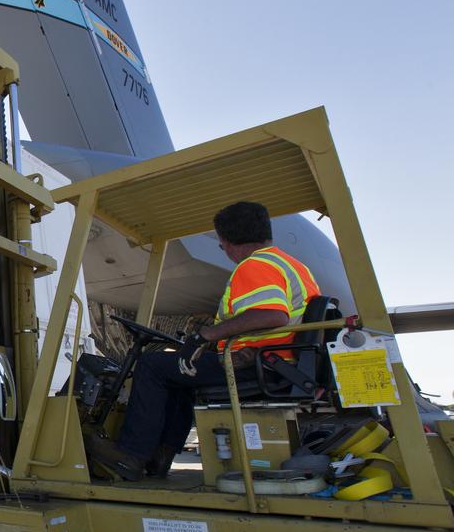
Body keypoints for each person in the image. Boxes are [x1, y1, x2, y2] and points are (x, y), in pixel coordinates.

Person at [86, 202, 320, 480]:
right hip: (279, 364)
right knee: (182, 373)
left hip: (258, 364)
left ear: (227, 241)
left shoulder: (255, 265)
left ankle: (132, 455)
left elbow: (273, 314)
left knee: (150, 365)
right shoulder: (293, 266)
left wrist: (204, 335)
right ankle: (161, 457)